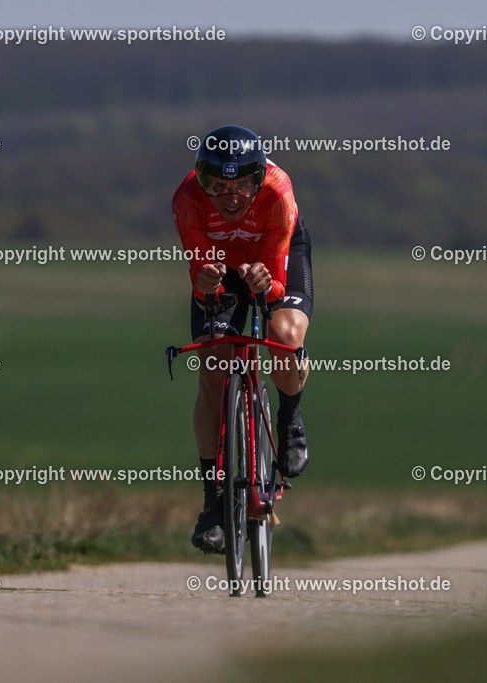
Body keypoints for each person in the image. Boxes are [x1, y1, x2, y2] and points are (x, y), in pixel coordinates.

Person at [172, 125, 314, 550]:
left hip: (274, 261)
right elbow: (201, 283)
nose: (230, 197)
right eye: (218, 186)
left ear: (257, 180)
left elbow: (272, 286)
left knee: (284, 334)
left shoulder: (276, 192)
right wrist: (209, 284)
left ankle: (289, 420)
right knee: (214, 369)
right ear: (201, 182)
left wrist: (265, 283)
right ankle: (213, 501)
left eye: (241, 186)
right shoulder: (187, 201)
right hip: (220, 268)